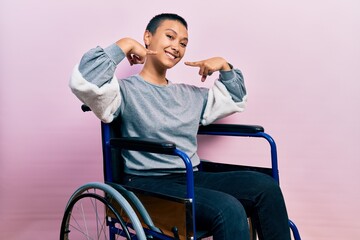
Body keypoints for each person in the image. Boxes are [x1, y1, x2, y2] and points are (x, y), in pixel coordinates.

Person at [70, 13, 291, 240]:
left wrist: (225, 68)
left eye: (183, 43)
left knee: (266, 187)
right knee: (228, 209)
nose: (176, 47)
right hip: (148, 183)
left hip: (191, 176)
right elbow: (84, 81)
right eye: (170, 37)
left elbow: (235, 99)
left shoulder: (189, 95)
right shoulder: (124, 91)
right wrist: (123, 45)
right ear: (148, 37)